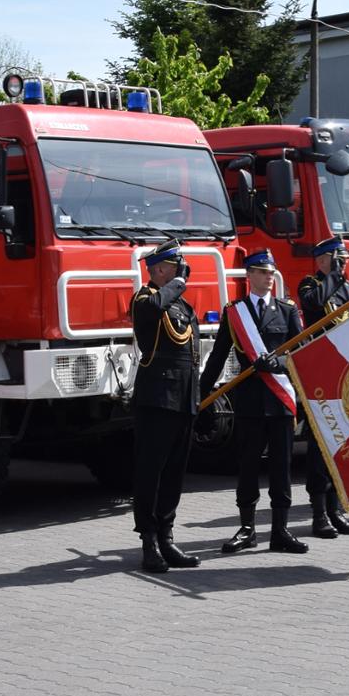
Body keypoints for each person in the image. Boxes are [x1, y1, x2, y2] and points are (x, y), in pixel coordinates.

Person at [201, 249, 308, 554]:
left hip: (279, 402)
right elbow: (218, 356)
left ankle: (280, 530)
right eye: (262, 272)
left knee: (281, 469)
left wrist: (278, 365)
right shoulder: (235, 312)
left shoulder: (287, 311)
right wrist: (201, 394)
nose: (269, 278)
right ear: (249, 277)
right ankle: (247, 529)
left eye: (271, 273)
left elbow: (300, 356)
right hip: (249, 403)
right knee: (248, 468)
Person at [127, 241, 204, 574]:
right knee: (151, 473)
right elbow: (153, 308)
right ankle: (148, 540)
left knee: (174, 475)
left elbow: (194, 357)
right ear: (159, 270)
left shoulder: (183, 307)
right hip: (157, 400)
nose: (182, 271)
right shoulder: (145, 299)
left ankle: (166, 535)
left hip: (182, 400)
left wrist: (198, 398)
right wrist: (177, 285)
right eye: (175, 266)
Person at [296, 238, 349, 536]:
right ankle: (319, 513)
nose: (343, 262)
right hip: (320, 377)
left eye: (343, 258)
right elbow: (313, 306)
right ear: (323, 259)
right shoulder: (310, 285)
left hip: (345, 376)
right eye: (337, 258)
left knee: (341, 445)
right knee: (320, 446)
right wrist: (334, 276)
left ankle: (337, 510)